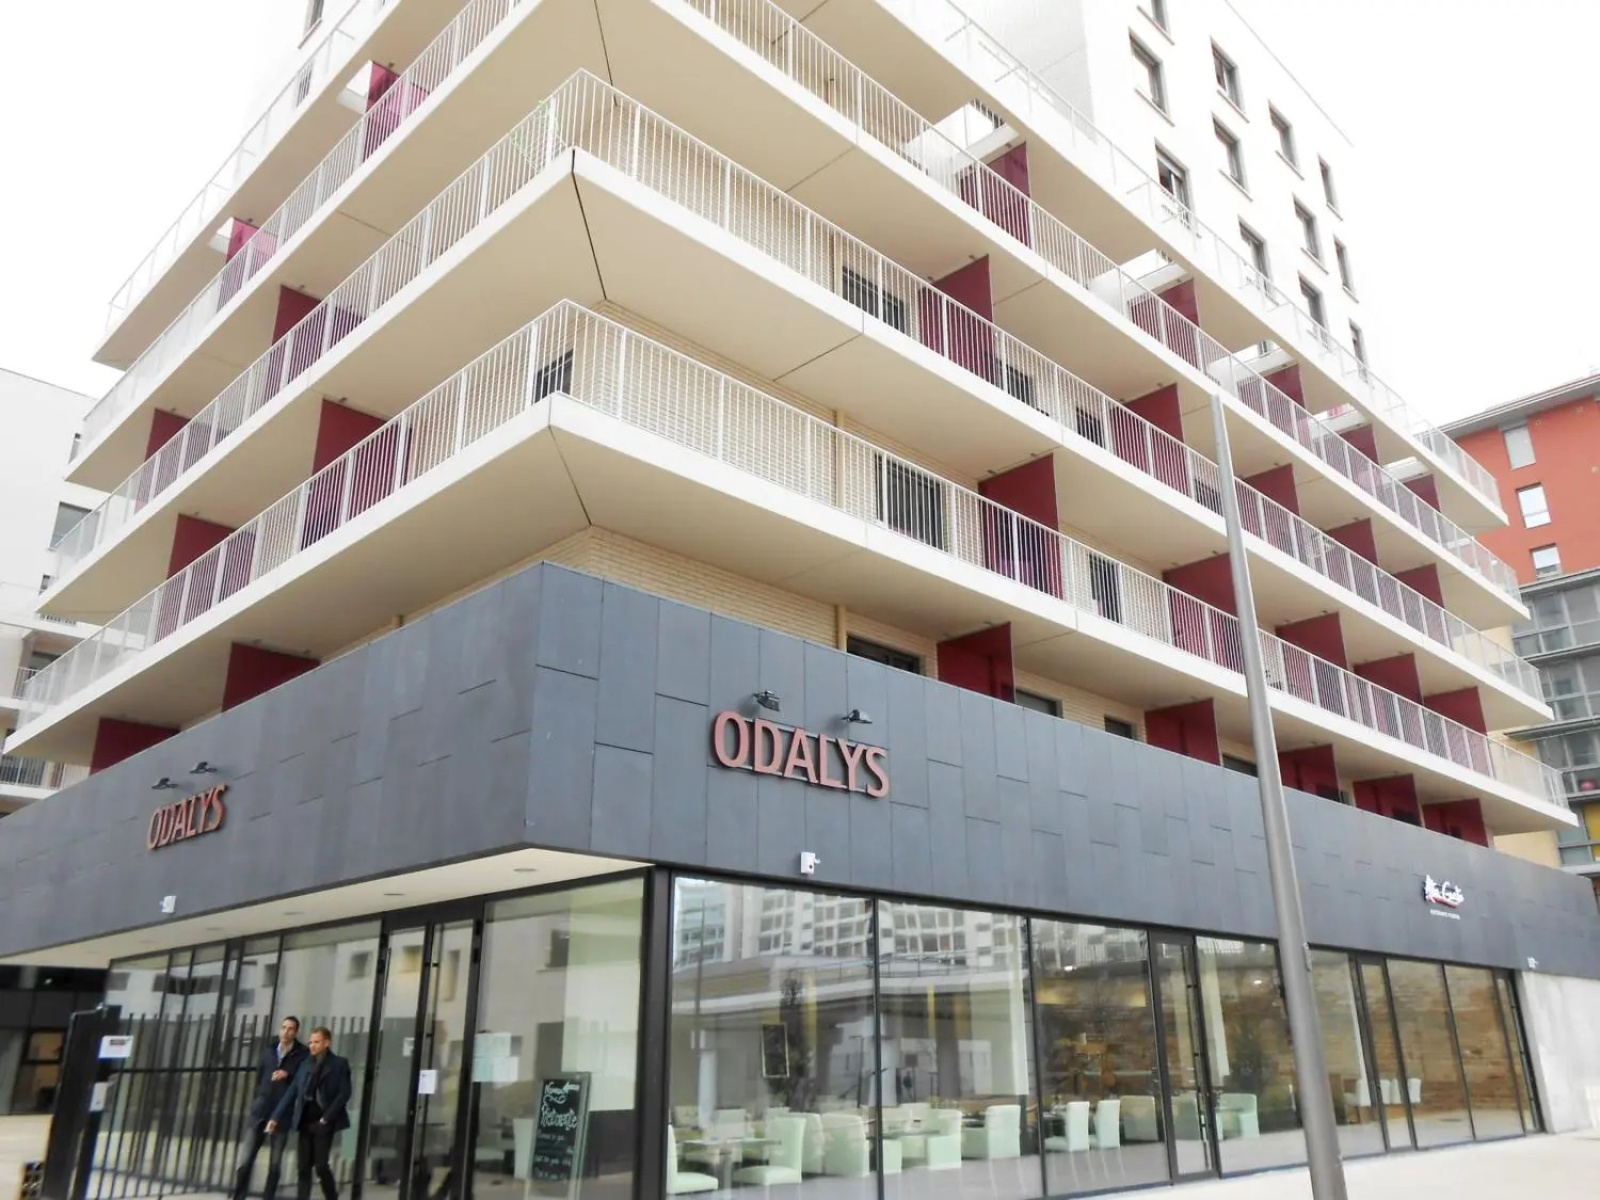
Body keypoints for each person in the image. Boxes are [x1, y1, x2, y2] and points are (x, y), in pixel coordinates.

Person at [267, 1027, 353, 1200]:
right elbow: (292, 1091)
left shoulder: (339, 1064)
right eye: (310, 1042)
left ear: (327, 1043)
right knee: (303, 1167)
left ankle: (332, 1197)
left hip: (324, 1121)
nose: (312, 1045)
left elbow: (344, 1093)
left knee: (321, 1166)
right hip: (305, 1120)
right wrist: (275, 1117)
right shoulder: (305, 1064)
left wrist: (326, 1118)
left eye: (316, 1042)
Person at [233, 1016, 308, 1200]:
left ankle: (269, 1196)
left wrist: (288, 1074)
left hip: (282, 1113)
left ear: (296, 1032)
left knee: (275, 1162)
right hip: (261, 1111)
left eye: (290, 1029)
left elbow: (303, 1080)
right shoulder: (269, 1051)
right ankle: (239, 1196)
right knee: (246, 1160)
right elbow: (260, 1078)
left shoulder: (302, 1054)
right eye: (283, 1027)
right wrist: (258, 1100)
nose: (286, 1032)